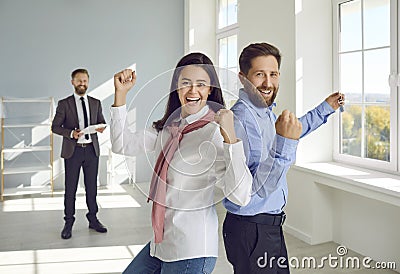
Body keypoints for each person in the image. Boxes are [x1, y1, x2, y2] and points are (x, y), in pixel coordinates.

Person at [110, 52, 253, 273]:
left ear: (210, 90)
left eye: (201, 84)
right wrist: (120, 96)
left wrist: (231, 138)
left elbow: (241, 196)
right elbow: (122, 145)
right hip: (161, 242)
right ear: (176, 87)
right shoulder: (168, 128)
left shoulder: (214, 133)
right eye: (185, 83)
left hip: (192, 248)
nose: (193, 91)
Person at [222, 42, 345, 273]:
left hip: (269, 226)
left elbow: (295, 129)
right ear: (242, 78)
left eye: (274, 74)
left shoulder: (263, 112)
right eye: (259, 75)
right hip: (251, 228)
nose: (268, 83)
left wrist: (325, 108)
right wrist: (285, 144)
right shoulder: (241, 120)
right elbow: (256, 189)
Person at [52, 68, 107, 240]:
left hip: (91, 150)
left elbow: (102, 122)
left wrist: (101, 127)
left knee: (92, 188)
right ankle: (68, 222)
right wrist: (71, 134)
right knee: (71, 189)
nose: (82, 83)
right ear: (72, 82)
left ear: (88, 82)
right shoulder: (64, 104)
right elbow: (55, 127)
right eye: (79, 81)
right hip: (73, 152)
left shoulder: (96, 102)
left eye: (85, 81)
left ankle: (93, 219)